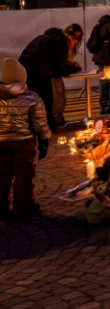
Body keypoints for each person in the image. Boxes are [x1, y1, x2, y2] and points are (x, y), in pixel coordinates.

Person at [0, 58, 51, 218]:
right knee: (23, 175)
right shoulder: (32, 97)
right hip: (24, 143)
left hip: (1, 143)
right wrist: (44, 139)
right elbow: (39, 122)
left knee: (1, 175)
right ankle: (23, 207)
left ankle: (1, 207)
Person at [18, 24, 82, 132]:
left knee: (37, 100)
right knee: (46, 100)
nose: (75, 42)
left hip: (26, 69)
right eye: (75, 38)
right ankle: (48, 128)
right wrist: (74, 68)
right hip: (36, 71)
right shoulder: (60, 42)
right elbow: (59, 67)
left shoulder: (51, 38)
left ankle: (40, 127)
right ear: (70, 36)